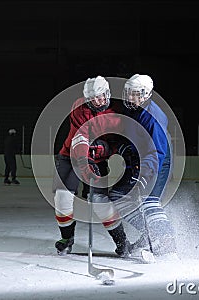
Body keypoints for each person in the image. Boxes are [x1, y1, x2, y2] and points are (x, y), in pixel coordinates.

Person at [52, 75, 130, 256]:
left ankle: (121, 241)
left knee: (99, 201)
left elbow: (119, 141)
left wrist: (105, 149)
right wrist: (84, 165)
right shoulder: (79, 109)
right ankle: (67, 238)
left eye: (101, 96)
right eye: (93, 98)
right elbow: (80, 140)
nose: (97, 101)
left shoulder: (117, 113)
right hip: (70, 156)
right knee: (62, 198)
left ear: (108, 93)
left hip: (97, 159)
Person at [109, 74, 176, 257]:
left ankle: (166, 242)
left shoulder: (154, 117)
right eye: (128, 92)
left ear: (146, 94)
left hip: (157, 163)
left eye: (135, 94)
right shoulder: (131, 110)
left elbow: (158, 153)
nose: (130, 97)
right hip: (138, 161)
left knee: (149, 201)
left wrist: (145, 175)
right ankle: (149, 233)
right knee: (117, 195)